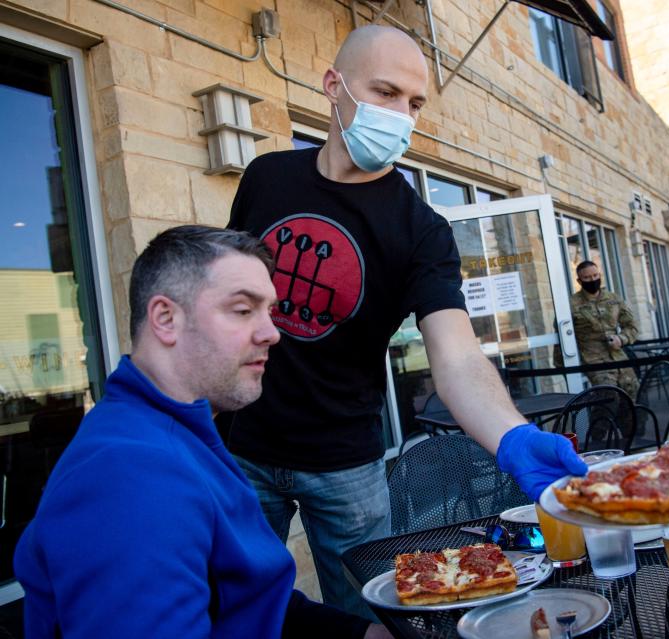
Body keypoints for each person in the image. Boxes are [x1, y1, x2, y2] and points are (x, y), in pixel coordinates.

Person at [219, 24, 586, 617]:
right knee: (242, 607)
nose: (400, 115)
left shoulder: (422, 230)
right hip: (243, 448)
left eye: (413, 103)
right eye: (385, 92)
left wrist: (510, 434)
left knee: (372, 620)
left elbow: (457, 355)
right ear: (333, 87)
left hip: (347, 466)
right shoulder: (266, 177)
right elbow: (230, 294)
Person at [13, 226, 389, 638]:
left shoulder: (186, 435)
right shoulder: (127, 475)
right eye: (244, 310)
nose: (272, 333)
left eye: (269, 311)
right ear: (166, 319)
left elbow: (250, 602)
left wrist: (368, 636)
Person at [570, 260, 640, 397]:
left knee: (632, 394)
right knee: (608, 398)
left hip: (618, 356)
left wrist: (622, 338)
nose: (593, 280)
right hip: (595, 360)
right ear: (579, 281)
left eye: (596, 275)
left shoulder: (613, 298)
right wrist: (563, 367)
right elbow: (562, 336)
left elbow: (631, 326)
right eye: (587, 278)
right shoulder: (571, 304)